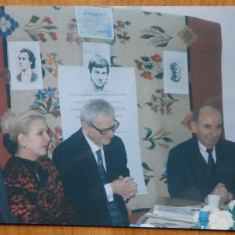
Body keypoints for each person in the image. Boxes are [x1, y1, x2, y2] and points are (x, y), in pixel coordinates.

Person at [52, 99, 137, 226]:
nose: (112, 134)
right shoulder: (65, 152)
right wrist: (111, 189)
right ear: (86, 127)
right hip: (87, 224)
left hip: (120, 221)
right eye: (104, 130)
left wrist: (127, 188)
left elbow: (123, 175)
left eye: (113, 127)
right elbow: (73, 200)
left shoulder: (116, 144)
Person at [2, 110, 77, 224]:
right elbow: (29, 222)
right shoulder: (12, 176)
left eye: (46, 132)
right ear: (23, 139)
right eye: (40, 133)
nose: (48, 138)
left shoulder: (47, 163)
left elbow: (65, 203)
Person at [167, 103, 235, 205]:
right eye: (207, 127)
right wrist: (209, 198)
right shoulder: (179, 154)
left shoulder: (232, 150)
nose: (214, 133)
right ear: (194, 127)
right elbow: (177, 193)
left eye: (218, 127)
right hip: (195, 215)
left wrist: (229, 196)